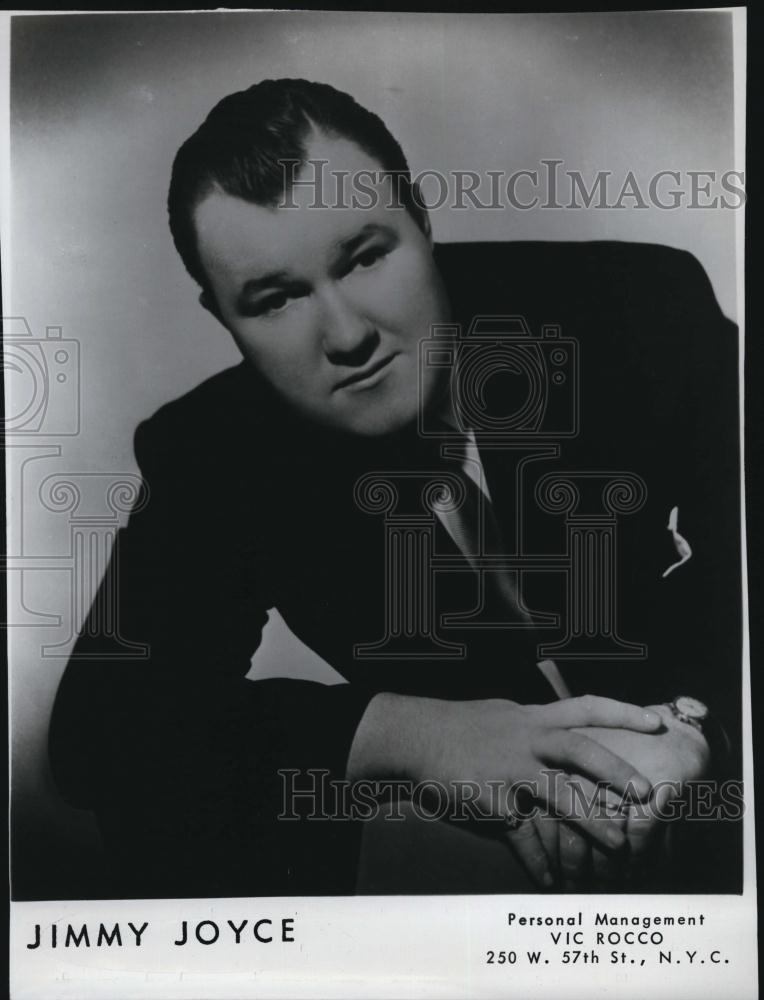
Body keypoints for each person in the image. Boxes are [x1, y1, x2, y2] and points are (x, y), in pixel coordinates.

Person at [48, 79, 742, 898]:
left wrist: (694, 724)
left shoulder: (635, 310)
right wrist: (411, 732)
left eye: (366, 257)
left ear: (422, 218)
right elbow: (100, 736)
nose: (346, 335)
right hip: (498, 865)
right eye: (275, 300)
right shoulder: (217, 450)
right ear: (221, 317)